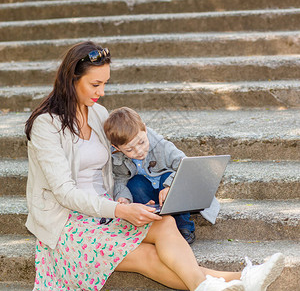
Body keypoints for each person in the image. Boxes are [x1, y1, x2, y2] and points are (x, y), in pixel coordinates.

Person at [24, 41, 284, 291]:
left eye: (104, 83)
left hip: (106, 211)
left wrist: (139, 195)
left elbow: (138, 142)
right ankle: (241, 280)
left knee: (165, 223)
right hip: (68, 224)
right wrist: (119, 210)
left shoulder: (99, 114)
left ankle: (228, 283)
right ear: (71, 79)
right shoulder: (46, 125)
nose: (101, 92)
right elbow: (64, 192)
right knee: (148, 255)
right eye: (95, 84)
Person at [103, 106, 198, 244]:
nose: (139, 150)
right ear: (117, 148)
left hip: (168, 193)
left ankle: (184, 227)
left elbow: (186, 166)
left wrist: (170, 186)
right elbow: (120, 179)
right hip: (148, 195)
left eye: (141, 142)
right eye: (129, 149)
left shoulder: (162, 146)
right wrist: (123, 198)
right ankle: (153, 223)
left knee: (169, 178)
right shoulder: (117, 158)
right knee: (134, 183)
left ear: (145, 130)